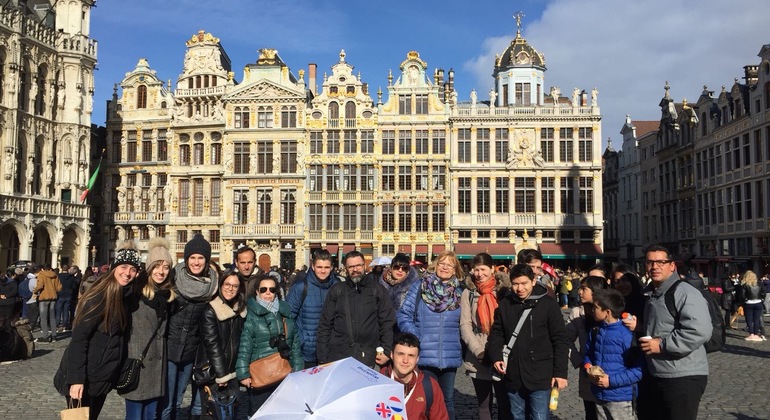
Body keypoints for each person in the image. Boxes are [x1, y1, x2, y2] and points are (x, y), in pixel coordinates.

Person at [58, 242, 141, 419]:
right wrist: (76, 379)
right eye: (123, 267)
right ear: (113, 268)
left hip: (101, 377)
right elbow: (79, 340)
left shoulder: (125, 296)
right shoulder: (99, 297)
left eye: (133, 269)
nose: (127, 273)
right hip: (84, 377)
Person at [627, 244, 711, 420]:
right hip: (658, 373)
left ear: (672, 266)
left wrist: (662, 345)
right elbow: (662, 326)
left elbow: (699, 330)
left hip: (682, 375)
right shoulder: (652, 293)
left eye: (660, 262)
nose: (654, 267)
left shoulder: (684, 292)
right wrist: (641, 327)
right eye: (650, 262)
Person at [487, 263, 569, 420]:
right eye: (515, 284)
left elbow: (560, 339)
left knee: (539, 416)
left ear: (533, 281)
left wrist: (560, 373)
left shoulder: (548, 304)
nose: (520, 288)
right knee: (516, 416)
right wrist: (496, 356)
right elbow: (497, 333)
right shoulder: (505, 304)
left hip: (540, 374)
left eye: (524, 283)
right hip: (513, 373)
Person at [398, 250, 464, 420]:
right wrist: (417, 337)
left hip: (448, 355)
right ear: (435, 265)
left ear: (455, 269)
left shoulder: (460, 292)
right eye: (442, 263)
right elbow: (404, 315)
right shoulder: (420, 287)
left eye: (449, 265)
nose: (445, 267)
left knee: (447, 401)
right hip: (424, 354)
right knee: (424, 400)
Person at [162, 233, 219, 420]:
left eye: (200, 258)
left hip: (190, 351)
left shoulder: (213, 285)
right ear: (186, 259)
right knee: (167, 401)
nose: (196, 262)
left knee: (178, 397)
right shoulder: (173, 278)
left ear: (207, 261)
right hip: (168, 348)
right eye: (192, 257)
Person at [120, 238, 176, 420]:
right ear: (149, 268)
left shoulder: (167, 296)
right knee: (135, 416)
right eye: (157, 266)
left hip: (157, 367)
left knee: (151, 416)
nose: (161, 271)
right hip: (138, 364)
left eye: (166, 267)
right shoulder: (135, 292)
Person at [236, 276, 302, 416]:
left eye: (272, 289)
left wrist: (298, 368)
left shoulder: (285, 312)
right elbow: (245, 346)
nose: (268, 292)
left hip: (284, 370)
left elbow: (294, 344)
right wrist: (243, 373)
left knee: (283, 412)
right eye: (263, 289)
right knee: (260, 412)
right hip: (261, 374)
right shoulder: (252, 315)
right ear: (257, 292)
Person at [317, 250, 395, 367]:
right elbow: (325, 325)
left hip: (369, 357)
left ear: (364, 266)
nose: (355, 269)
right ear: (346, 269)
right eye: (351, 267)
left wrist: (387, 351)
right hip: (339, 356)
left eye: (358, 265)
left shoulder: (377, 290)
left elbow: (387, 323)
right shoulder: (337, 290)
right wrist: (322, 358)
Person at [459, 253, 512, 420]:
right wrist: (478, 350)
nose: (479, 274)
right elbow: (465, 324)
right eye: (476, 270)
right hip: (478, 352)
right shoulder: (468, 293)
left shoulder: (503, 291)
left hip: (502, 351)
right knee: (483, 403)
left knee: (504, 402)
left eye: (483, 269)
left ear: (492, 269)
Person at [583, 289, 643, 420]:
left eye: (595, 307)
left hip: (620, 398)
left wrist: (610, 381)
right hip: (599, 394)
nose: (592, 310)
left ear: (607, 312)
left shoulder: (626, 335)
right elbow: (588, 353)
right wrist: (588, 366)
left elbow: (638, 371)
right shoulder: (596, 330)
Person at [195, 269, 247, 418]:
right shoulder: (210, 311)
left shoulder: (240, 310)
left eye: (235, 286)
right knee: (214, 412)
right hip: (214, 372)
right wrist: (222, 374)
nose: (230, 289)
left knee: (230, 412)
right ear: (221, 285)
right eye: (227, 284)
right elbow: (212, 346)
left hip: (232, 370)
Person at [286, 249, 340, 368]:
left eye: (326, 267)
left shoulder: (337, 286)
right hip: (306, 351)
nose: (323, 271)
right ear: (313, 266)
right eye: (319, 267)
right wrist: (301, 339)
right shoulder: (300, 287)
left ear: (332, 267)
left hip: (330, 350)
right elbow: (288, 317)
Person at [566, 276, 609, 420]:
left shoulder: (610, 311)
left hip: (610, 373)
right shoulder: (577, 312)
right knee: (591, 413)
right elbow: (565, 339)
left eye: (584, 289)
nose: (579, 292)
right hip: (588, 372)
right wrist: (579, 361)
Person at [380, 332, 450, 420]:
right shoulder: (378, 381)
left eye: (411, 356)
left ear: (417, 359)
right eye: (401, 354)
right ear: (391, 355)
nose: (405, 360)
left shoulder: (429, 386)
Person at [33, 265, 62, 343]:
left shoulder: (41, 274)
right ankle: (54, 336)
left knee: (43, 318)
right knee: (52, 317)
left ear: (43, 269)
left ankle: (45, 336)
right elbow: (59, 288)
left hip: (44, 297)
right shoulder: (55, 275)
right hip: (53, 297)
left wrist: (35, 291)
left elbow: (40, 285)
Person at [738, 270, 766, 341]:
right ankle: (756, 334)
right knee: (756, 319)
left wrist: (744, 301)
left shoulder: (745, 285)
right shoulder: (759, 284)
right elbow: (763, 292)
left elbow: (742, 295)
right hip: (758, 302)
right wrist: (762, 299)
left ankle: (751, 334)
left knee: (749, 319)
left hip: (748, 303)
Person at [55, 265, 78, 333]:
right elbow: (74, 286)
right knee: (66, 310)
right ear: (68, 269)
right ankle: (64, 325)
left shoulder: (58, 276)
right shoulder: (71, 277)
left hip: (60, 294)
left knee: (58, 311)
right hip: (69, 295)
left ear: (62, 268)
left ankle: (57, 324)